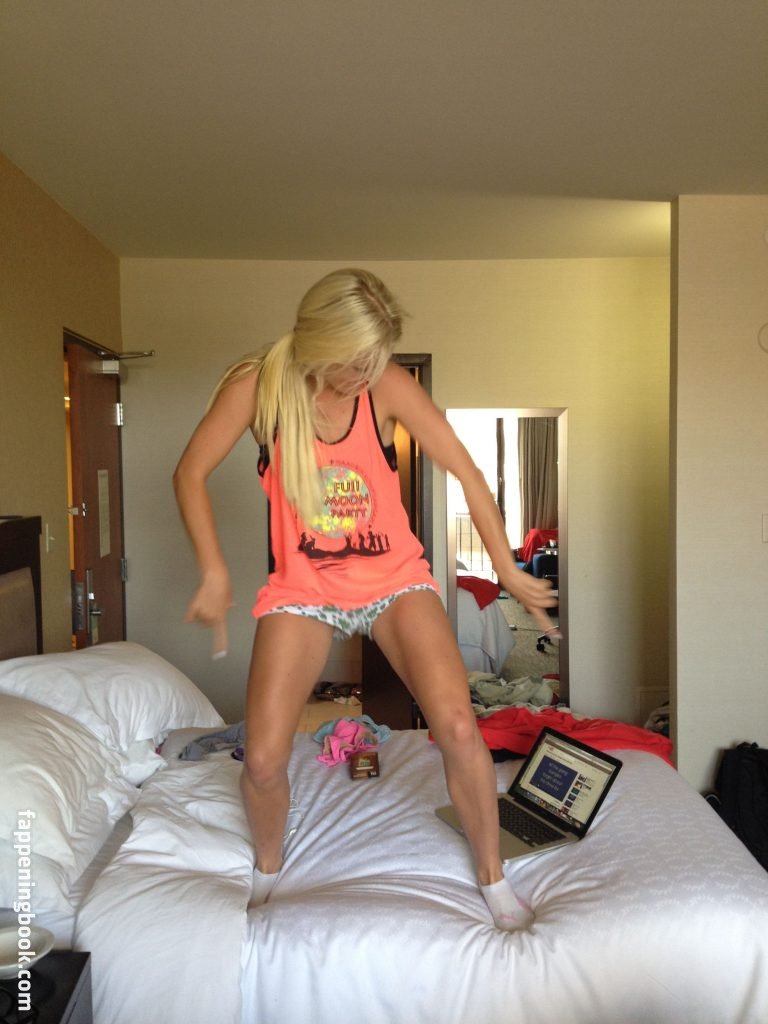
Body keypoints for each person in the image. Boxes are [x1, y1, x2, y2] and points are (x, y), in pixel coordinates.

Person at [173, 268, 557, 930]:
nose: (366, 374)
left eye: (375, 360)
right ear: (319, 341)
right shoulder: (260, 390)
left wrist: (507, 568)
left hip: (394, 582)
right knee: (262, 759)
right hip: (304, 591)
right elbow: (189, 472)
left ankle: (494, 880)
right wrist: (212, 570)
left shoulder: (386, 386)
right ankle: (269, 871)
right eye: (355, 361)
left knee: (458, 726)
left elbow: (466, 471)